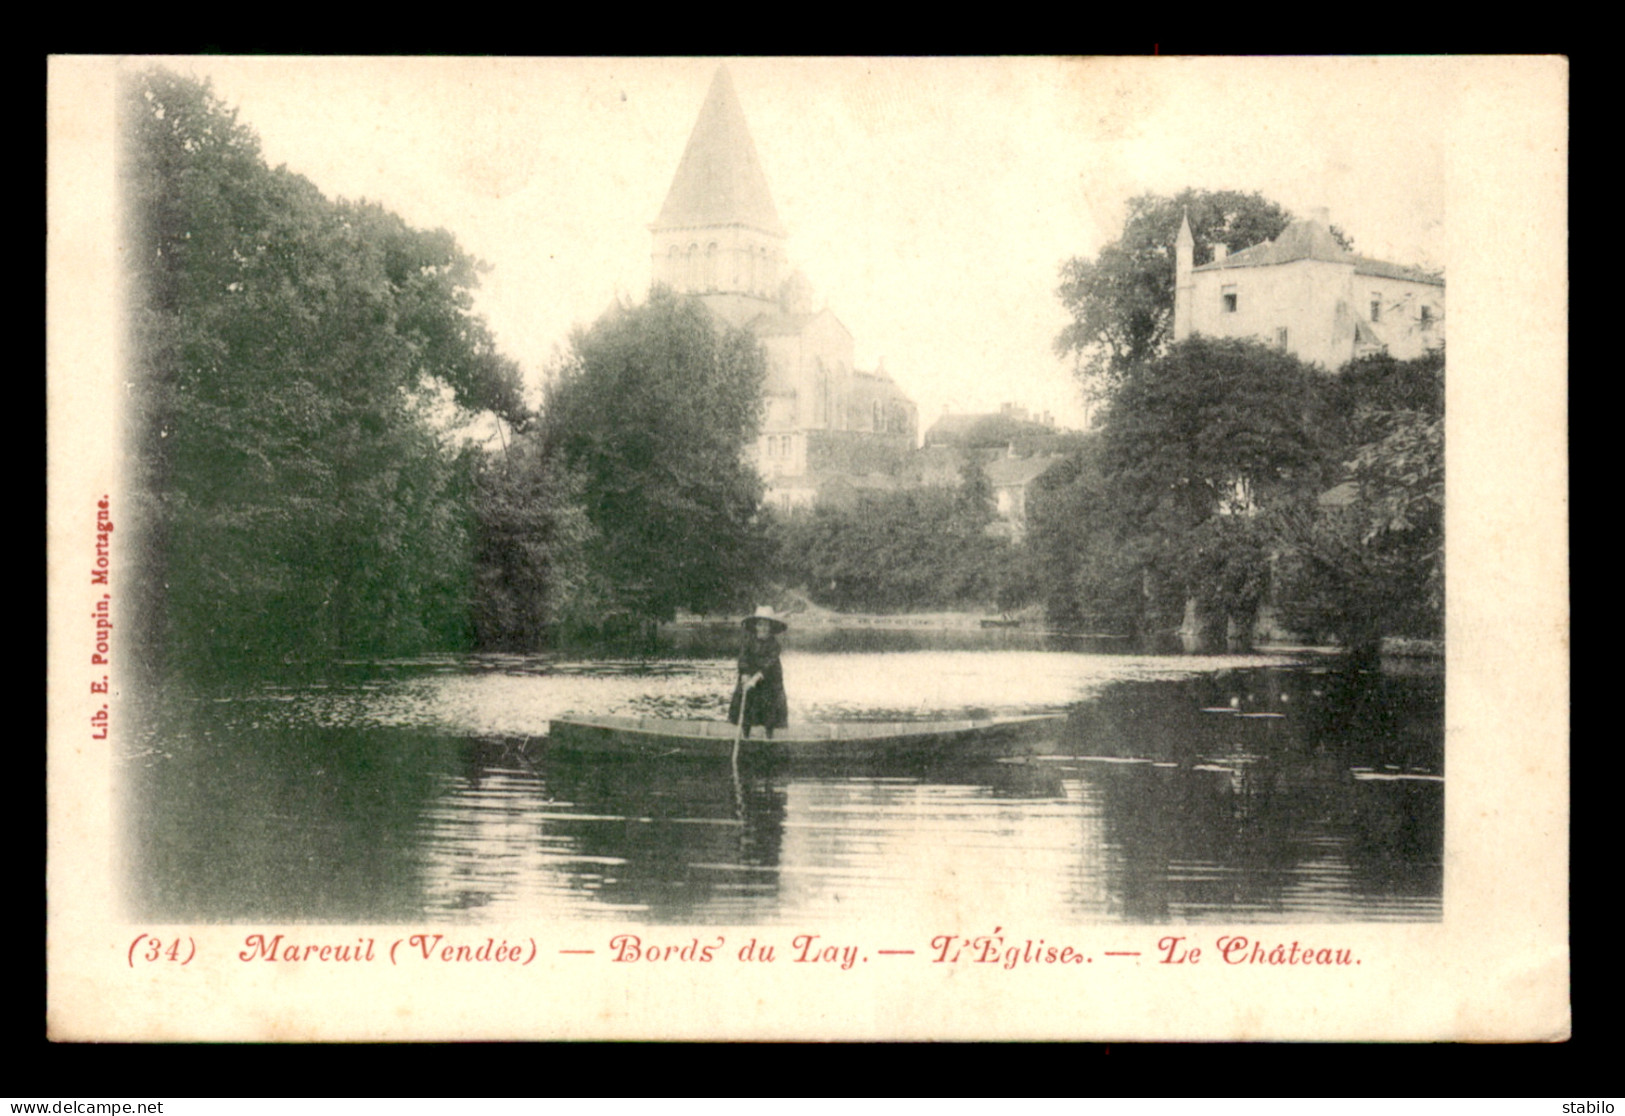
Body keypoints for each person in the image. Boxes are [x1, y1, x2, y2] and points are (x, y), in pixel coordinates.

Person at [728, 606, 789, 739]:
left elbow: (768, 665)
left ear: (771, 628)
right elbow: (743, 658)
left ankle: (769, 737)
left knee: (769, 709)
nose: (763, 628)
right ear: (755, 626)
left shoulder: (774, 645)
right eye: (760, 624)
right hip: (749, 678)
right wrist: (744, 674)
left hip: (769, 680)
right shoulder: (748, 641)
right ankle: (745, 736)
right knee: (745, 704)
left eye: (766, 625)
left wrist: (755, 679)